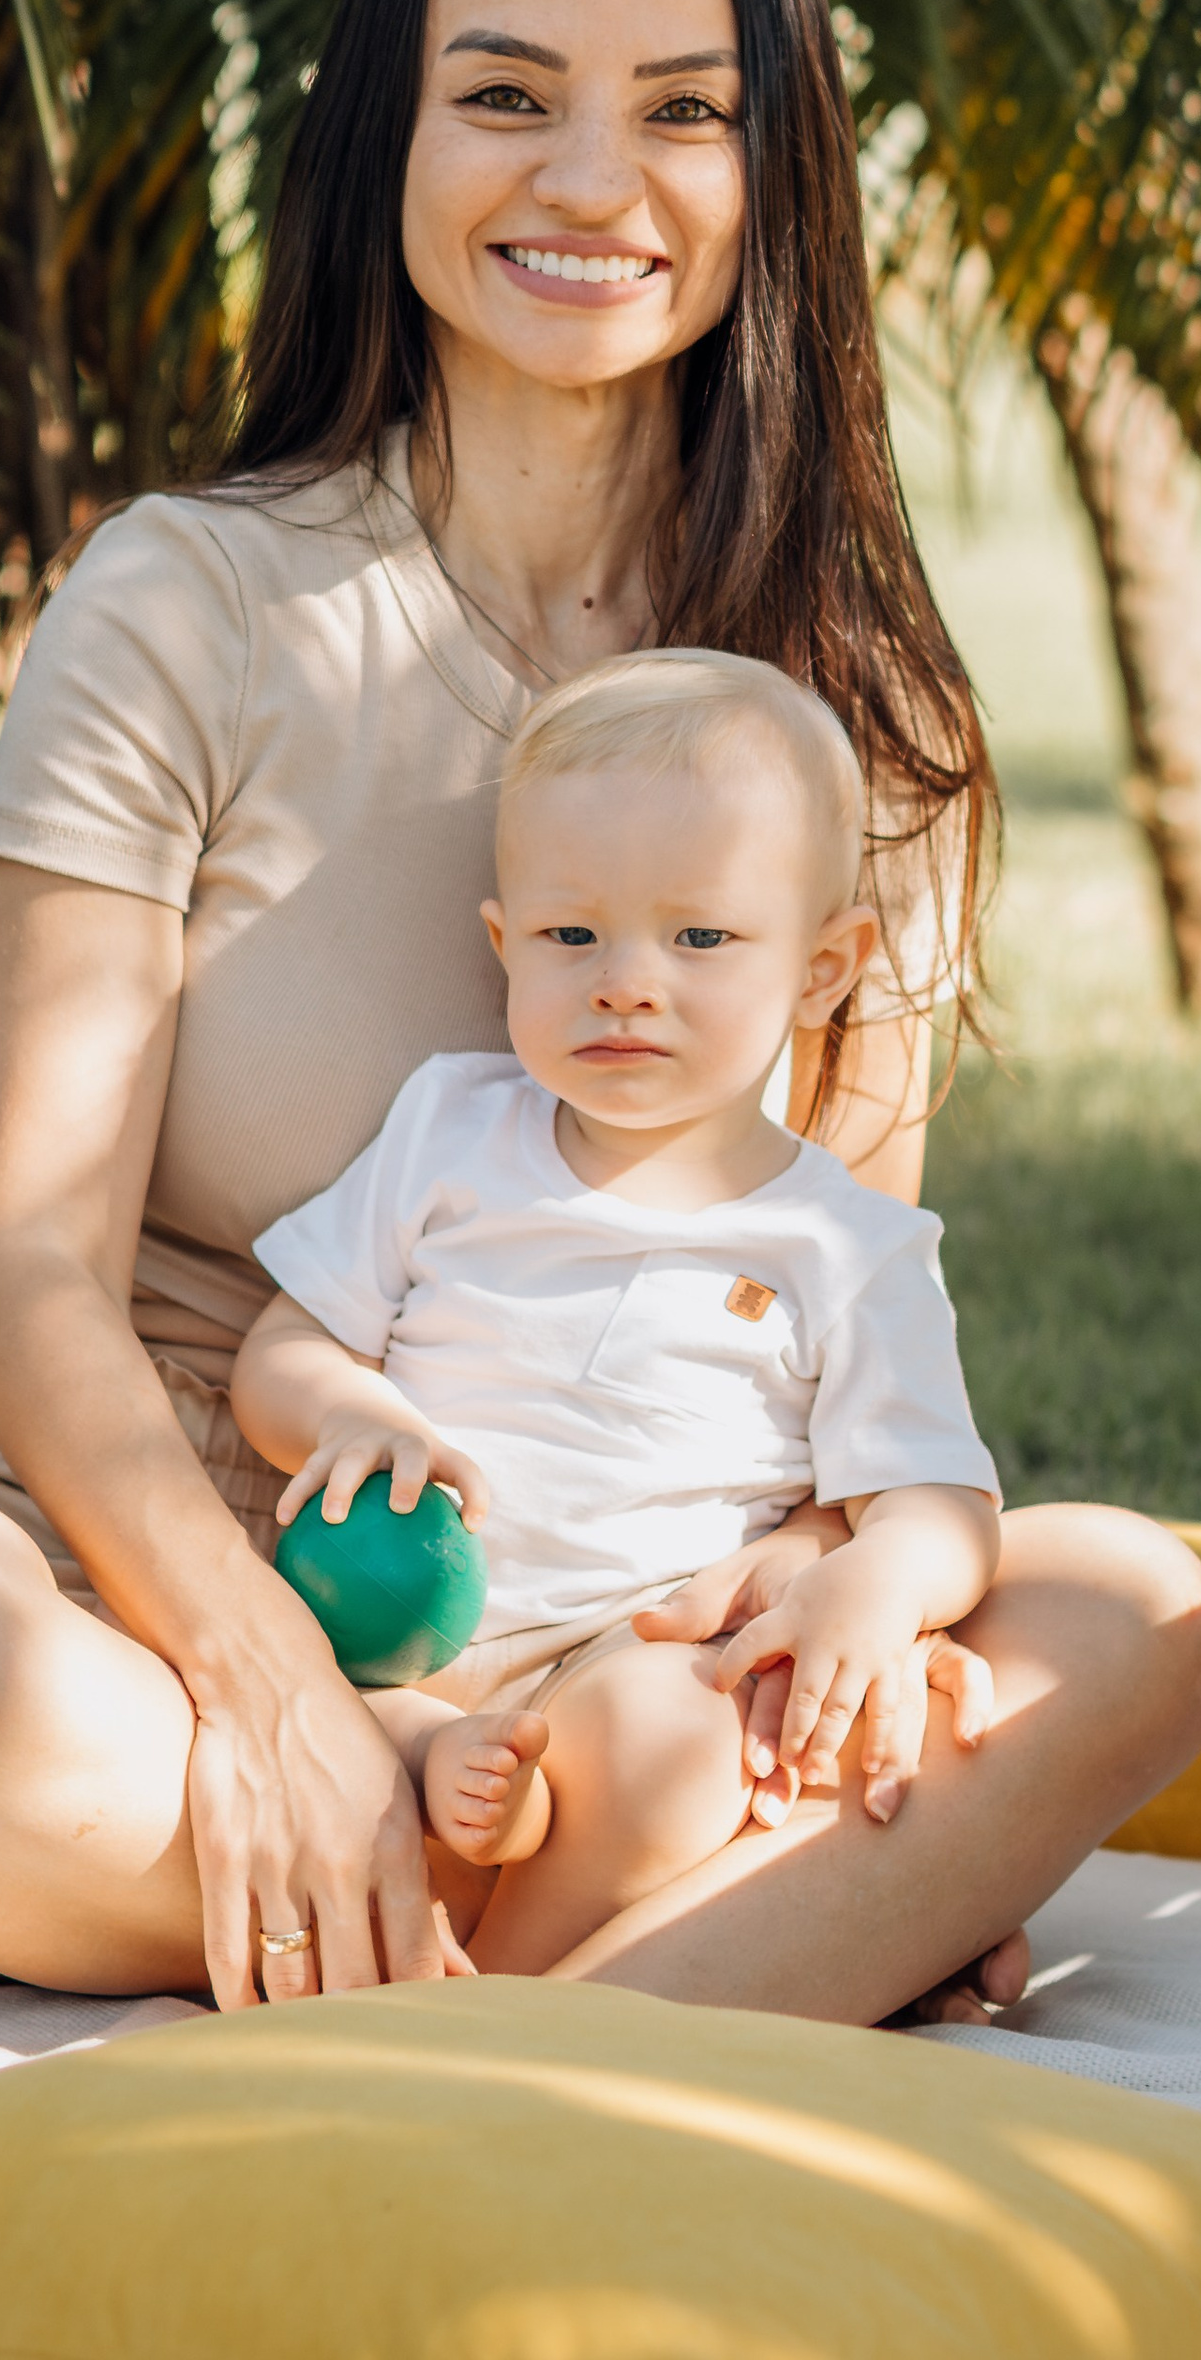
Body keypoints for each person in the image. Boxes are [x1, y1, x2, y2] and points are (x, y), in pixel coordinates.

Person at [0, 0, 1201, 2018]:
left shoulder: (854, 723)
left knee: (1127, 1614)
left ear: (775, 176)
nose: (589, 179)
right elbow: (33, 1276)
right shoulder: (189, 603)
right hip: (107, 1586)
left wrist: (824, 1670)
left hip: (601, 1656)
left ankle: (514, 1986)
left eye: (680, 108)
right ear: (388, 136)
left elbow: (824, 1338)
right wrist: (266, 1682)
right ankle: (711, 1970)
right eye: (505, 95)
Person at [233, 646, 1002, 1976]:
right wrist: (348, 1409)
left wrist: (877, 1590)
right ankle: (456, 1800)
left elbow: (940, 1501)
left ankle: (518, 1964)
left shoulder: (847, 1242)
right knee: (347, 1711)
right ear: (503, 944)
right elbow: (283, 1350)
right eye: (570, 935)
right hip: (401, 1640)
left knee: (680, 1743)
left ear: (826, 971)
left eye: (700, 937)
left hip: (627, 1654)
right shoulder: (449, 1131)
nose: (626, 980)